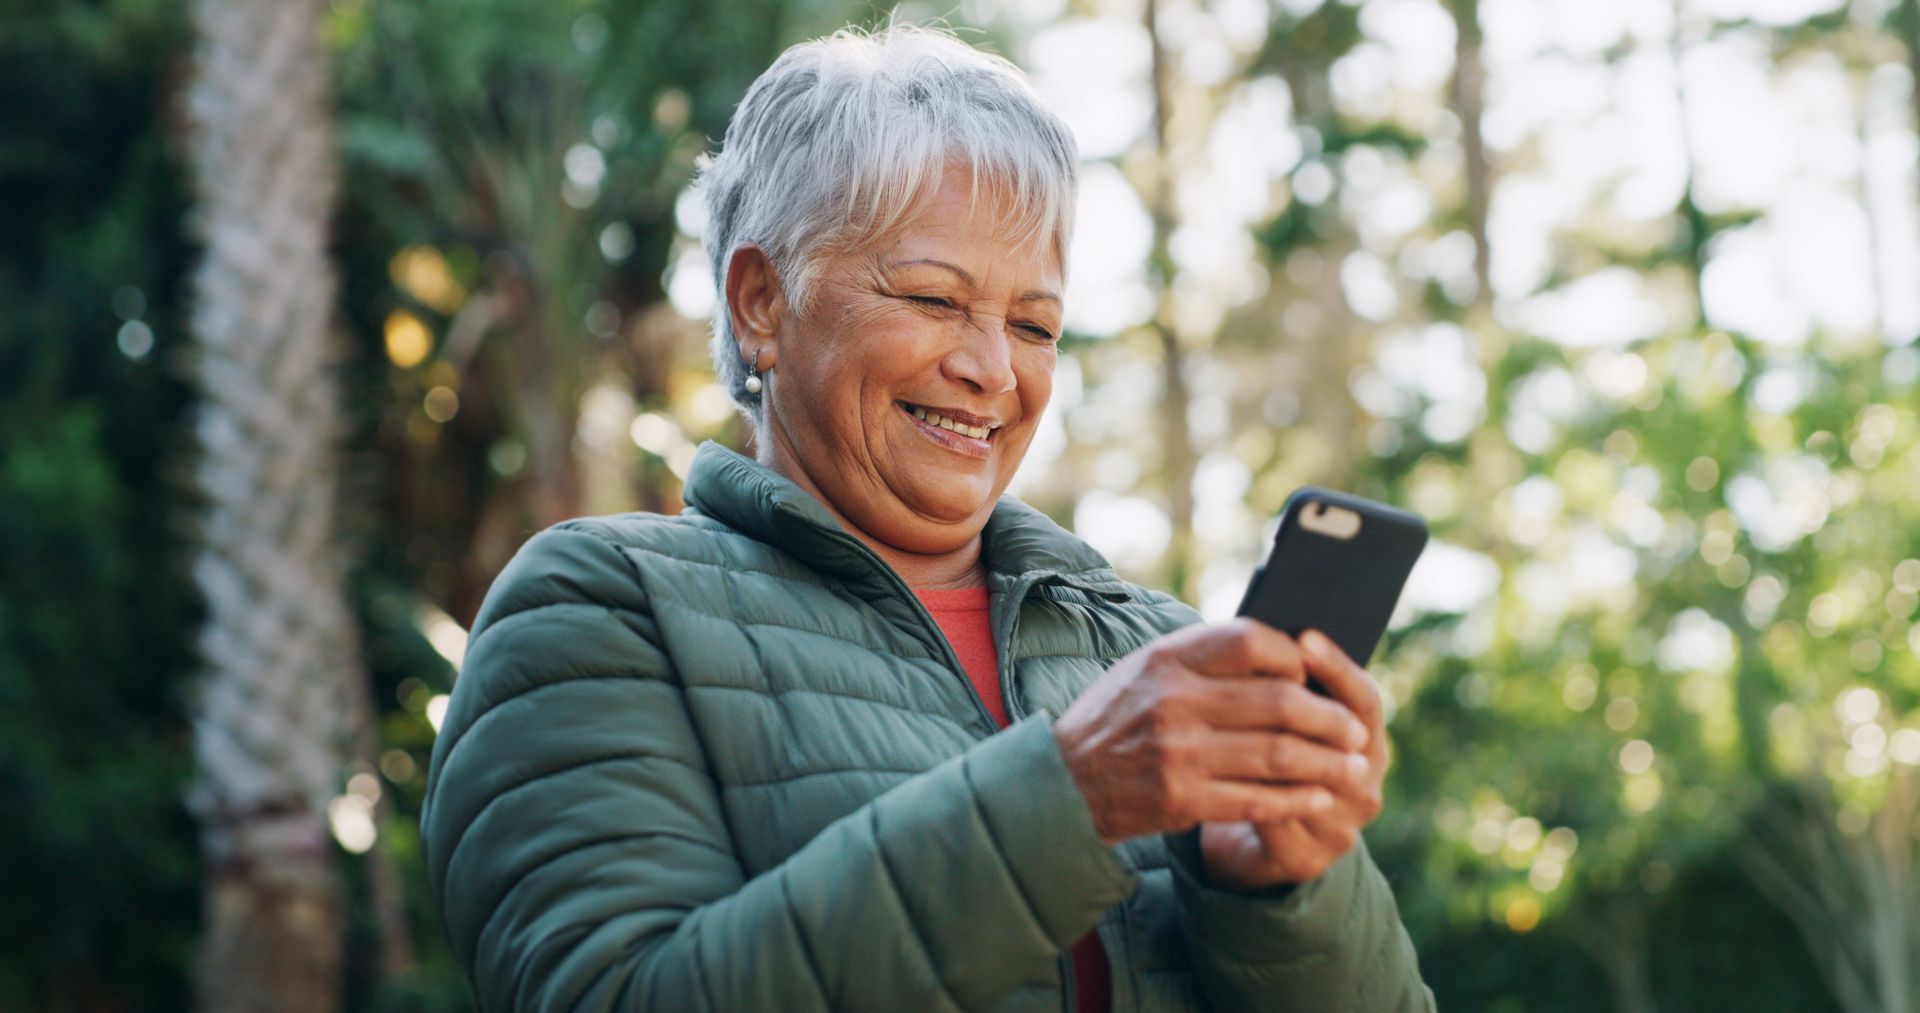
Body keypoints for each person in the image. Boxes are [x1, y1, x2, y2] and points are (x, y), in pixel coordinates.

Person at [422, 24, 1434, 1012]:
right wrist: (1072, 801)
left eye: (1033, 323)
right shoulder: (601, 612)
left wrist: (1278, 892)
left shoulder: (1160, 650)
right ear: (761, 301)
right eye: (934, 299)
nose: (992, 368)